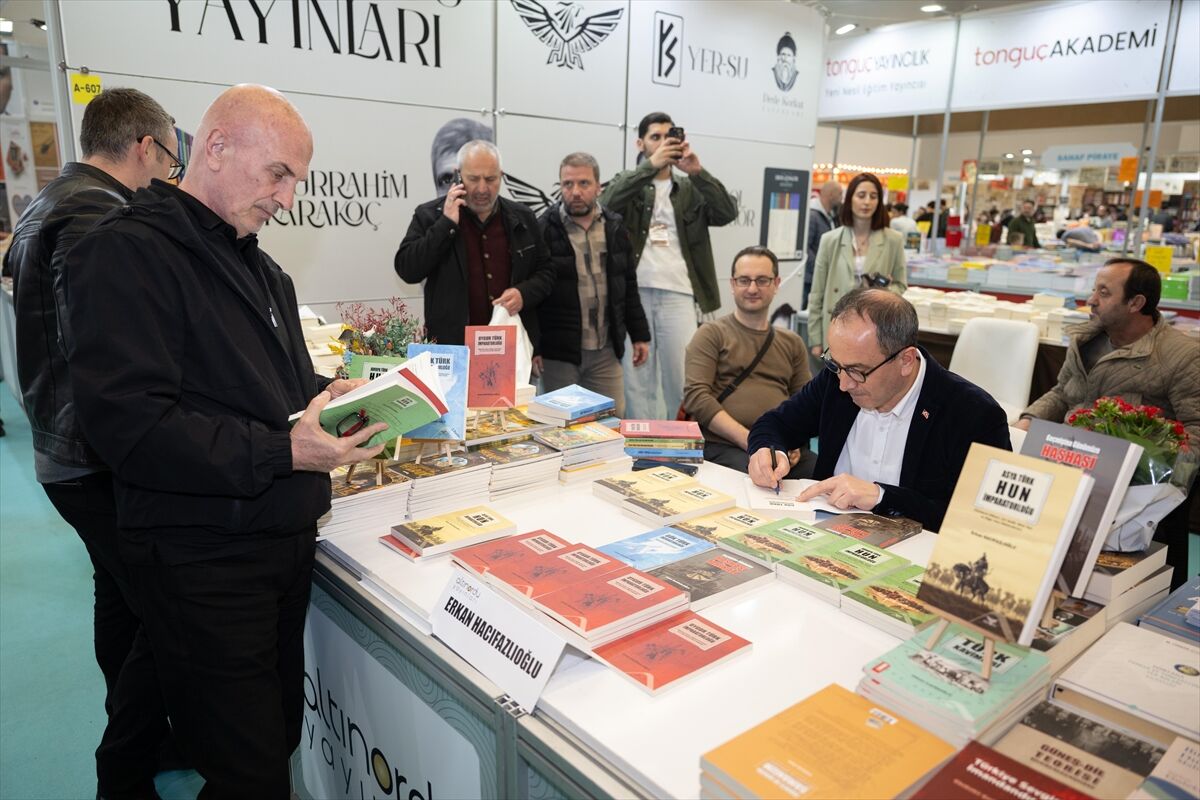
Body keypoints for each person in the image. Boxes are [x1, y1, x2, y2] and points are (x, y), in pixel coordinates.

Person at [64, 84, 388, 798]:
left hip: (276, 547)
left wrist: (332, 397)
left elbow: (270, 390)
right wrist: (287, 450)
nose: (289, 198)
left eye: (298, 180)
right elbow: (131, 428)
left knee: (271, 742)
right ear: (215, 147)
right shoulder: (123, 255)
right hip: (202, 558)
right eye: (279, 173)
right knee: (251, 771)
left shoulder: (262, 267)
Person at [3, 86, 182, 796]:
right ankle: (126, 763)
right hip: (97, 451)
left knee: (122, 596)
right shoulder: (99, 216)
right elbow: (108, 350)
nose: (170, 173)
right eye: (170, 158)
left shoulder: (51, 202)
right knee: (167, 610)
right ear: (145, 148)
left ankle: (142, 744)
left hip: (63, 445)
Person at [748, 289, 1011, 532]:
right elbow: (774, 424)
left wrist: (882, 496)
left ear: (905, 360)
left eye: (857, 372)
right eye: (835, 364)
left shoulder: (973, 414)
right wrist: (767, 451)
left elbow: (984, 522)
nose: (844, 383)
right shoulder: (837, 378)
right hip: (824, 535)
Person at [1015, 259, 1199, 589]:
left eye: (1104, 292)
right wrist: (1029, 420)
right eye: (1093, 289)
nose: (1092, 299)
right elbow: (1062, 393)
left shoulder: (1181, 355)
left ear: (1136, 303)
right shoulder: (1086, 342)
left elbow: (1195, 430)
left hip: (1134, 493)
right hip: (1069, 468)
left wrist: (1159, 480)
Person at [600, 111, 738, 420]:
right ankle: (640, 446)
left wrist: (697, 171)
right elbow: (605, 204)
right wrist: (649, 167)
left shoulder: (689, 188)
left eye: (669, 136)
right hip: (634, 298)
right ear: (641, 143)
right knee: (637, 381)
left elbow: (727, 212)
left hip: (678, 294)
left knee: (684, 378)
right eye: (655, 137)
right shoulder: (630, 183)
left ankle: (682, 442)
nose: (664, 142)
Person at [395, 140, 555, 351]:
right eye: (473, 179)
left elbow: (547, 271)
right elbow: (408, 269)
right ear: (458, 175)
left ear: (501, 176)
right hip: (452, 348)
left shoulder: (523, 217)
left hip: (510, 348)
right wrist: (446, 224)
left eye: (490, 179)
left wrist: (523, 293)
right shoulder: (430, 215)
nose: (482, 188)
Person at [534, 152, 650, 415]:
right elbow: (533, 295)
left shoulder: (615, 227)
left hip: (605, 351)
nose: (575, 192)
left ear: (599, 186)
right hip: (559, 354)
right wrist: (535, 347)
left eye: (584, 184)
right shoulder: (543, 229)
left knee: (613, 422)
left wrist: (640, 334)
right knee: (560, 427)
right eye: (568, 184)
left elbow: (627, 284)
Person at [683, 246, 813, 475]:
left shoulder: (792, 342)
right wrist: (755, 441)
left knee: (826, 476)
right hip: (725, 445)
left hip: (780, 447)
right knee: (757, 479)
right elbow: (697, 397)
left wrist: (793, 443)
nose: (752, 288)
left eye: (762, 280)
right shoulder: (711, 334)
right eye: (744, 280)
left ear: (776, 283)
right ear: (733, 284)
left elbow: (805, 402)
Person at [807, 172, 907, 359]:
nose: (867, 202)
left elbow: (901, 285)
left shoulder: (894, 240)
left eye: (873, 196)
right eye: (861, 195)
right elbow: (817, 292)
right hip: (836, 326)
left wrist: (880, 292)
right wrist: (815, 339)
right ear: (850, 198)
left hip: (875, 329)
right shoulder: (830, 240)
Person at [430, 116, 493, 197]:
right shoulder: (424, 209)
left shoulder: (510, 208)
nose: (457, 192)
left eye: (472, 178)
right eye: (447, 180)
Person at [805, 180, 843, 306]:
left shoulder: (829, 215)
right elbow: (806, 247)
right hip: (810, 279)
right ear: (831, 194)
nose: (841, 198)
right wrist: (819, 267)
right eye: (840, 194)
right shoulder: (813, 215)